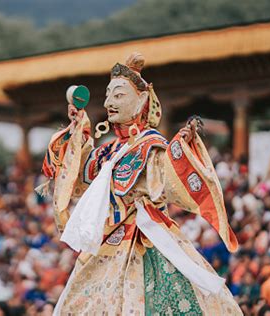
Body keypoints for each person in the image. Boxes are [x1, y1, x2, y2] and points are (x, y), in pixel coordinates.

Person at [40, 52, 241, 314]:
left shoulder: (151, 145)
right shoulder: (108, 151)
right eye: (108, 95)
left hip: (148, 238)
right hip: (108, 241)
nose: (110, 102)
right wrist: (77, 130)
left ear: (142, 100)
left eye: (119, 95)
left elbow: (169, 181)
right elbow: (78, 180)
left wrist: (182, 145)